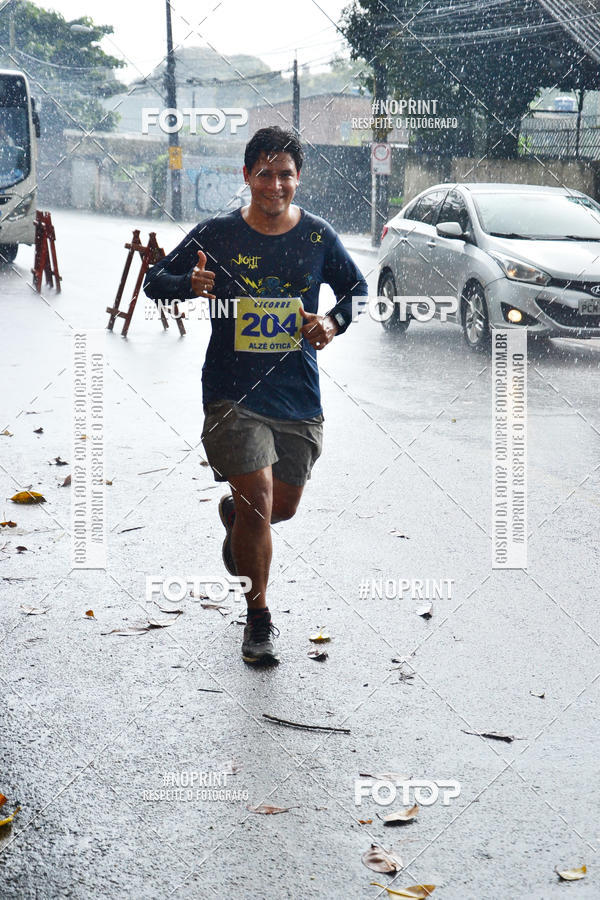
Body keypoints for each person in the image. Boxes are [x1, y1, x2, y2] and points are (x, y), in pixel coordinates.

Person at [144, 126, 368, 666]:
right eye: (264, 174)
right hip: (231, 395)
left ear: (298, 179)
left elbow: (358, 290)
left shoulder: (317, 237)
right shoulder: (217, 235)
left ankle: (234, 518)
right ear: (247, 176)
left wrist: (332, 323)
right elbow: (155, 279)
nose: (275, 185)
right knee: (260, 502)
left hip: (298, 395)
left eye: (285, 174)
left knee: (278, 508)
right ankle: (258, 618)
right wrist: (187, 286)